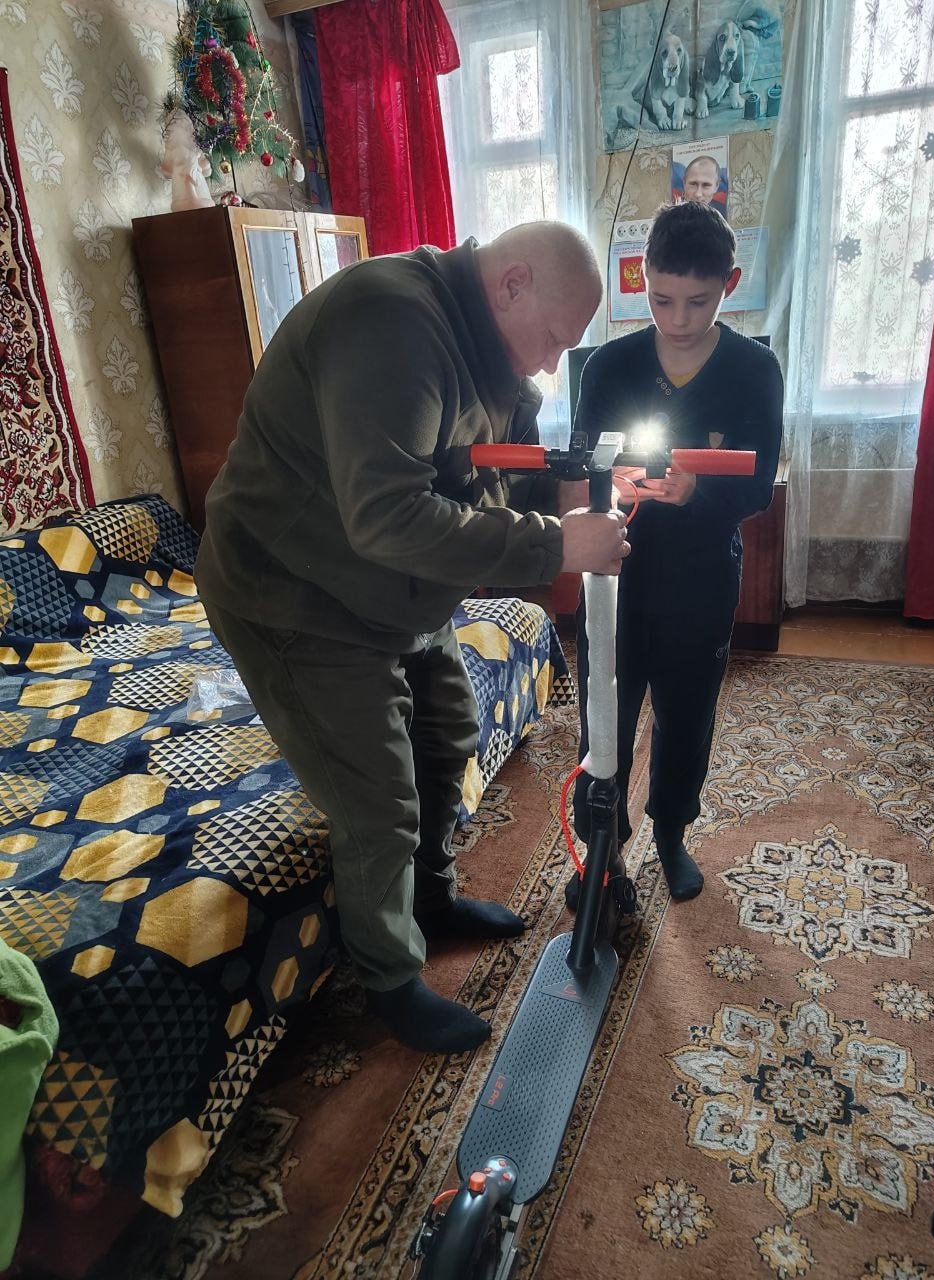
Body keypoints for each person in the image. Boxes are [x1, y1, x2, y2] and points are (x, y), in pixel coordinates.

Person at [194, 222, 630, 1056]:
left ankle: (431, 899)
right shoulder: (389, 320)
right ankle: (388, 979)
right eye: (551, 338)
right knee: (379, 803)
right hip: (295, 593)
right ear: (511, 283)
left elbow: (488, 474)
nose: (548, 363)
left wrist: (596, 490)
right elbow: (389, 516)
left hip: (391, 588)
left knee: (447, 735)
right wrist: (554, 545)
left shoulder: (487, 347)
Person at [560, 201, 783, 907]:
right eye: (661, 299)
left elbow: (758, 485)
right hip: (615, 578)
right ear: (640, 279)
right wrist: (613, 487)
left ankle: (671, 832)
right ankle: (602, 846)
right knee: (605, 713)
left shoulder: (754, 369)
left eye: (698, 301)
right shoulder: (608, 367)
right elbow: (583, 472)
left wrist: (693, 493)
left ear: (729, 285)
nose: (679, 318)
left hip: (701, 577)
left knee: (687, 713)